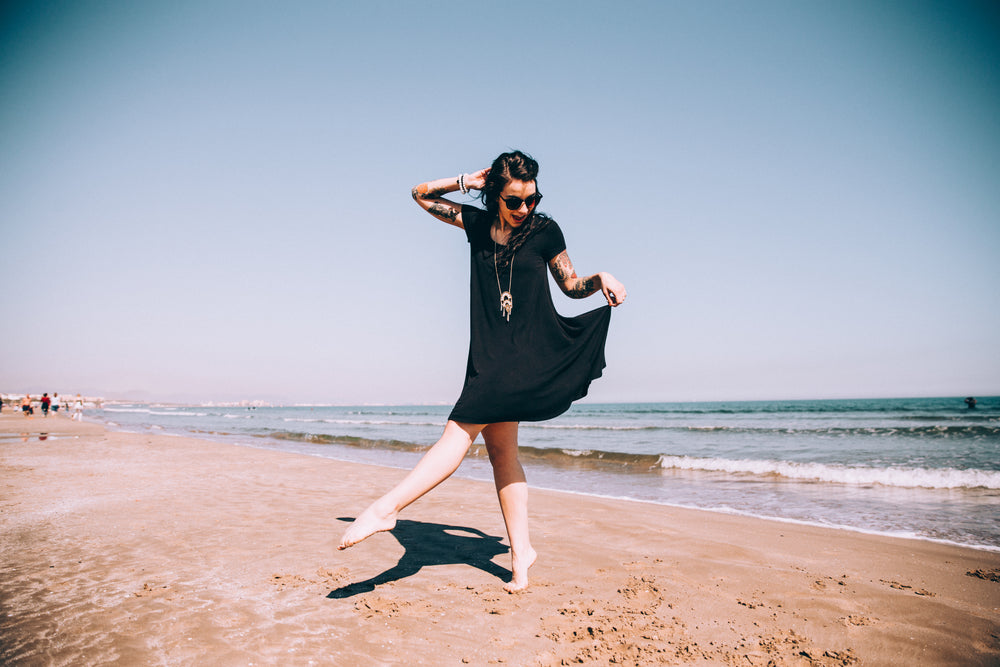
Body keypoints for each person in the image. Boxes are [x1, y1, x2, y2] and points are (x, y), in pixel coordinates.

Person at [338, 151, 627, 592]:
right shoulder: (475, 224)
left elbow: (570, 286)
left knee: (456, 434)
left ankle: (386, 508)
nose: (524, 209)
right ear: (495, 196)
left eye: (532, 199)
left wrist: (600, 277)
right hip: (488, 352)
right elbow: (419, 194)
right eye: (514, 201)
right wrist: (464, 180)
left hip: (524, 354)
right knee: (502, 453)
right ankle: (521, 555)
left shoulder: (545, 231)